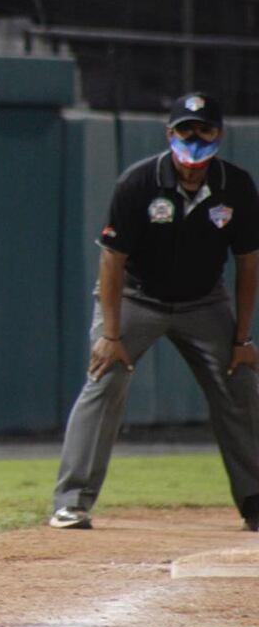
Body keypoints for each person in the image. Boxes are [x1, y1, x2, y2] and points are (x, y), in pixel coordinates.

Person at [51, 91, 259, 532]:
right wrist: (110, 334)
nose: (195, 140)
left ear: (218, 135)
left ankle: (255, 499)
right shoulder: (139, 182)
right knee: (105, 376)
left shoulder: (236, 186)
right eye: (186, 130)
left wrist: (242, 339)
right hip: (136, 297)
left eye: (204, 131)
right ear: (170, 134)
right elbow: (112, 260)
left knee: (240, 383)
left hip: (203, 302)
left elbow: (248, 263)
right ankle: (72, 501)